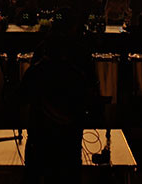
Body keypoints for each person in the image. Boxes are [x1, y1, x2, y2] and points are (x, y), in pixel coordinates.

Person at [21, 33, 92, 184]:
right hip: (69, 146)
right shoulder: (76, 75)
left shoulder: (36, 72)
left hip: (39, 144)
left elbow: (20, 98)